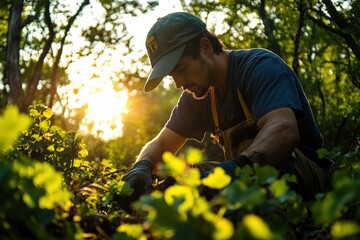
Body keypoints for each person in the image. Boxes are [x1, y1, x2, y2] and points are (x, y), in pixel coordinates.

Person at [121, 12, 333, 201]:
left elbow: (284, 130)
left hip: (308, 178)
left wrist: (230, 172)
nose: (178, 83)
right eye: (171, 76)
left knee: (216, 176)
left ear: (205, 47)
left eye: (181, 68)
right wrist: (141, 167)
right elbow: (160, 145)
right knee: (184, 181)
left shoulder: (259, 67)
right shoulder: (196, 96)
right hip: (252, 184)